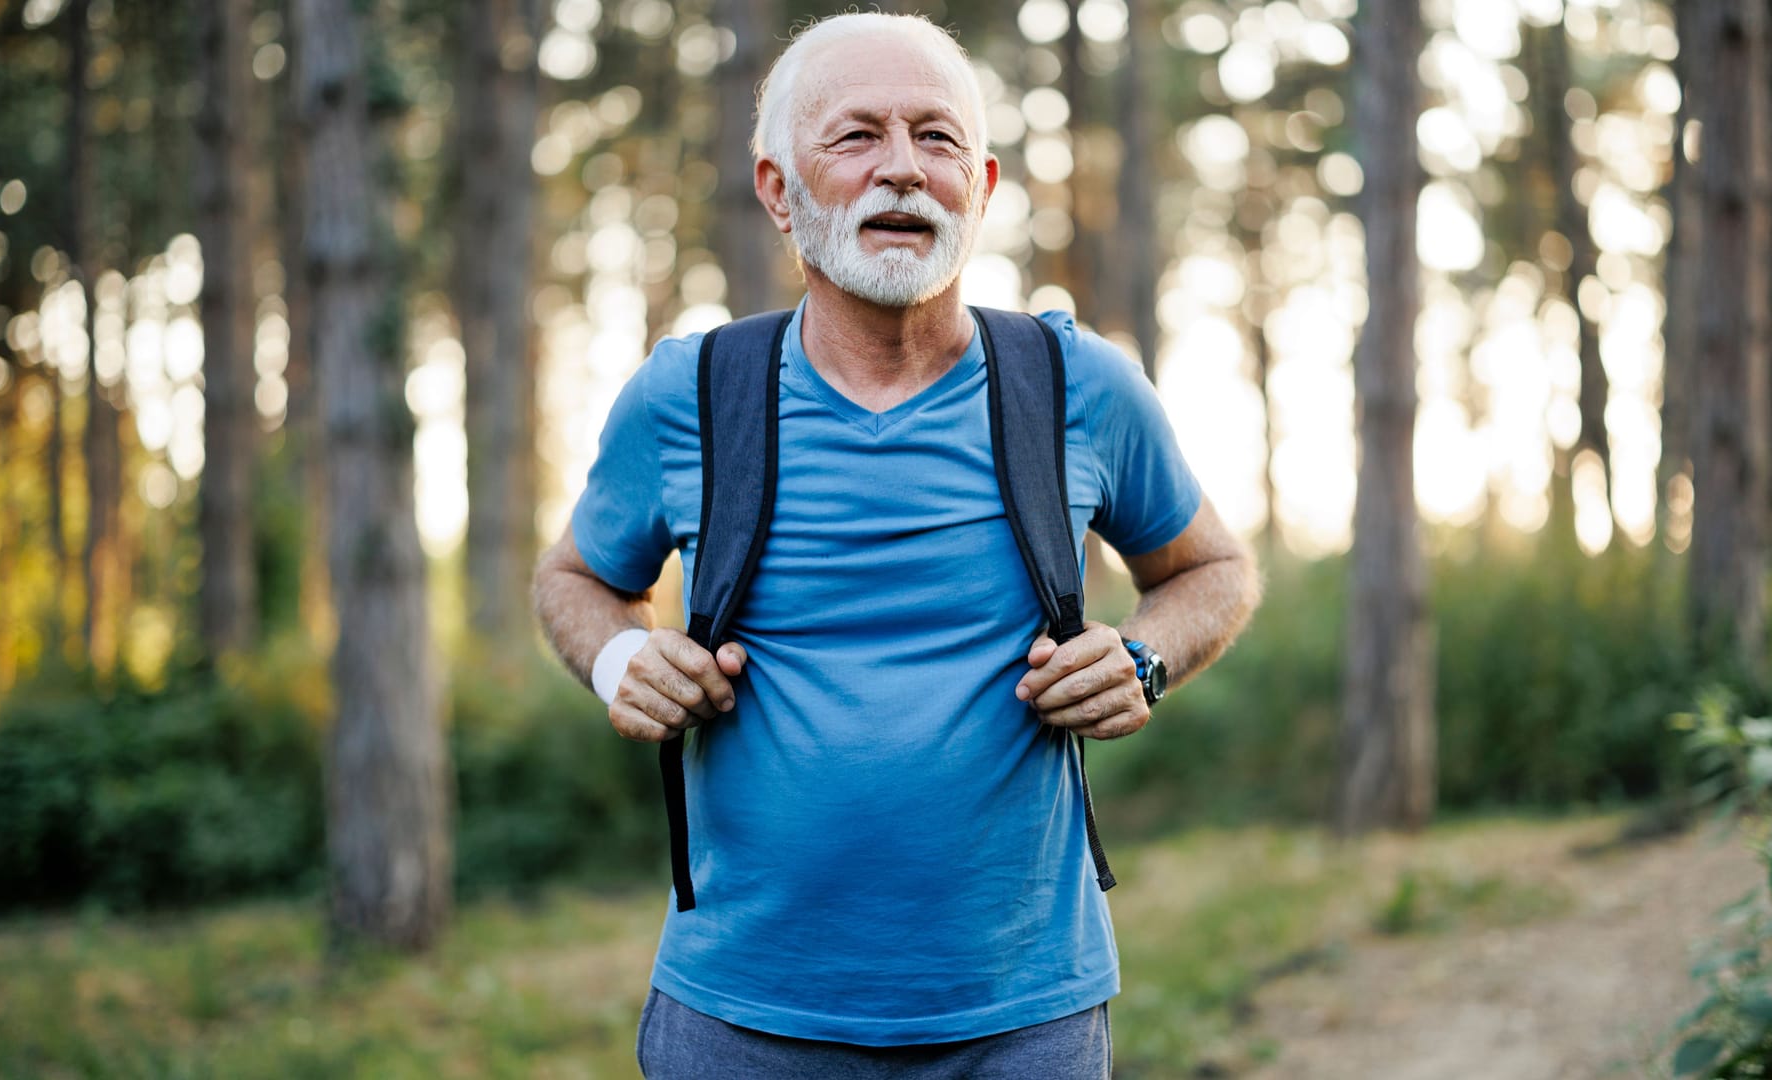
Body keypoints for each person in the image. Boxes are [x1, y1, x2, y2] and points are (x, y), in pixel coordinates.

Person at [532, 12, 1259, 1077]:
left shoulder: (1077, 386)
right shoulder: (689, 398)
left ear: (984, 186)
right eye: (857, 137)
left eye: (937, 138)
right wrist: (620, 658)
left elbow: (1215, 570)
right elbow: (577, 579)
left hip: (1022, 1022)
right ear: (779, 190)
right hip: (740, 1022)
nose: (904, 171)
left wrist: (1142, 658)